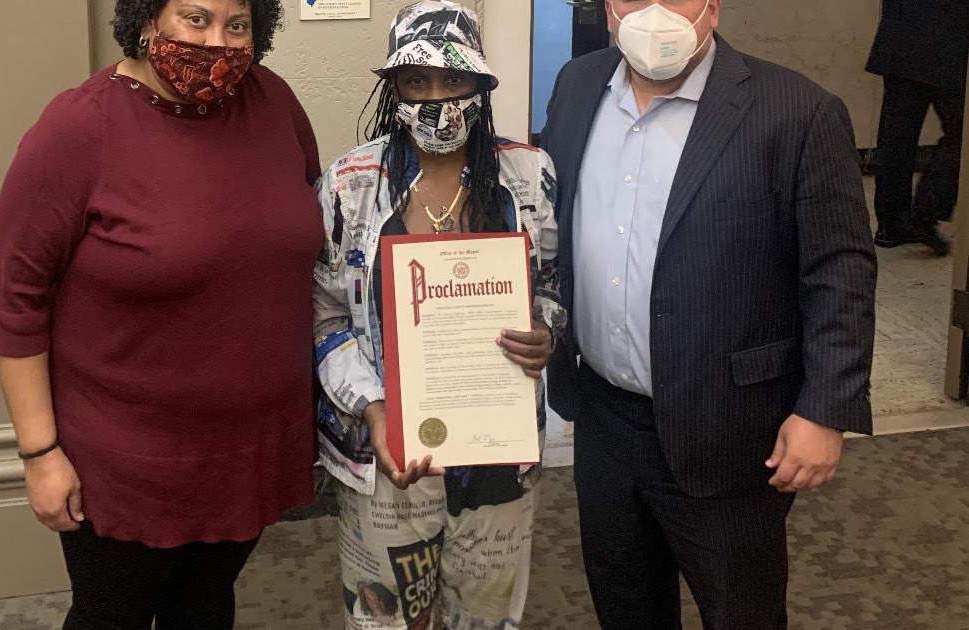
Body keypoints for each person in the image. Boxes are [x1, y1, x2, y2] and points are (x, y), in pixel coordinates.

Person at [0, 1, 321, 628]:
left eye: (237, 25)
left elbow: (304, 230)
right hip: (125, 461)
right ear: (145, 19)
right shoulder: (81, 126)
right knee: (115, 614)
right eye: (195, 18)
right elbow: (12, 295)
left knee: (207, 606)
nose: (217, 42)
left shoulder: (274, 104)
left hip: (249, 447)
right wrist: (39, 452)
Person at [541, 1, 877, 628]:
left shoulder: (797, 112)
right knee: (625, 607)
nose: (655, 12)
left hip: (730, 428)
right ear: (609, 10)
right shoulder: (577, 84)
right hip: (604, 419)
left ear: (713, 8)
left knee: (741, 612)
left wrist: (825, 408)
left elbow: (840, 272)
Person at [312, 2, 567, 628]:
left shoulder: (529, 175)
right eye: (416, 81)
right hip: (389, 457)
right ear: (392, 88)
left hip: (499, 455)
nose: (436, 97)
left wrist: (547, 333)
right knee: (385, 619)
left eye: (454, 81)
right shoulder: (349, 184)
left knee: (486, 618)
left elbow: (553, 290)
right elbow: (324, 319)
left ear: (480, 86)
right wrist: (373, 408)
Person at [867, 0, 969, 256]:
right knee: (962, 138)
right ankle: (927, 211)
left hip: (903, 39)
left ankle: (891, 225)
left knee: (896, 137)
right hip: (951, 43)